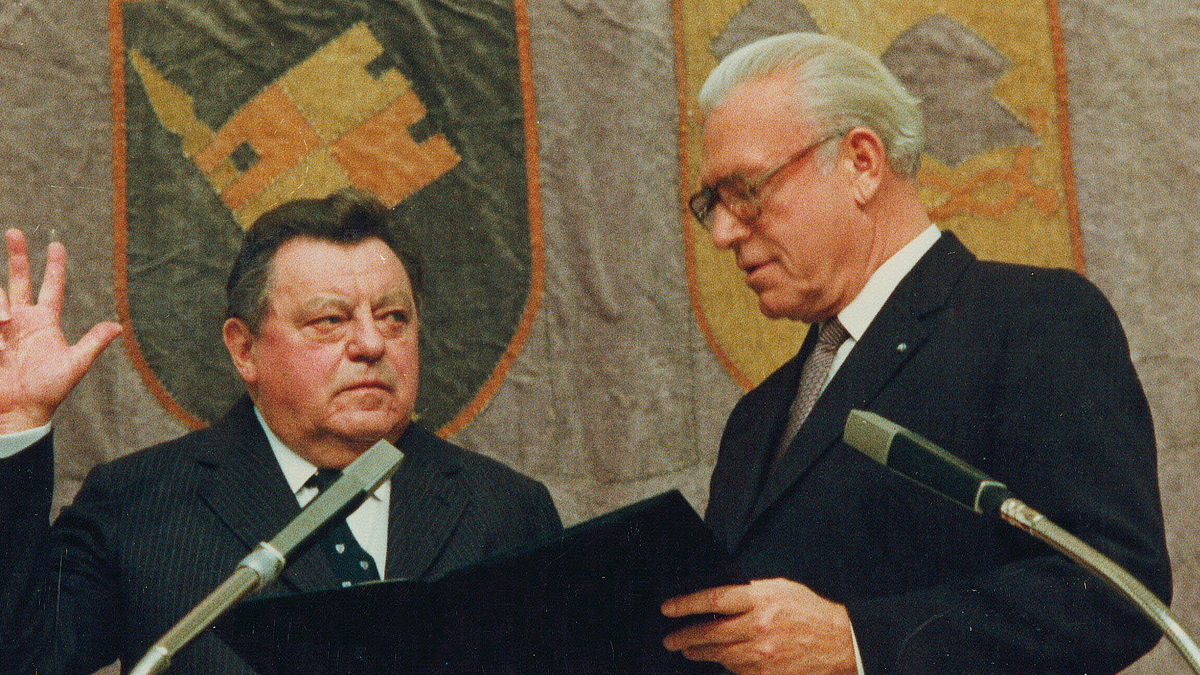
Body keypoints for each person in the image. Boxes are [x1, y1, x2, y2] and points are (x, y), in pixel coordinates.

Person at [661, 33, 1170, 675]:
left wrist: (858, 642)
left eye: (745, 191)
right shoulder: (757, 418)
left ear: (861, 163)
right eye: (712, 203)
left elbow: (1118, 592)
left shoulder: (1032, 321)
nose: (724, 232)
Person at [0, 190, 562, 674]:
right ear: (245, 349)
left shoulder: (506, 510)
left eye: (394, 317)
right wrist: (17, 422)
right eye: (330, 320)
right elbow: (20, 660)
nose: (371, 344)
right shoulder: (139, 505)